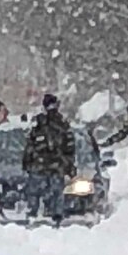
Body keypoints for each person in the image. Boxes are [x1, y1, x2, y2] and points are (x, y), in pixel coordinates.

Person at [22, 93, 77, 224]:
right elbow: (70, 148)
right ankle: (51, 215)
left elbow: (30, 146)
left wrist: (27, 163)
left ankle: (37, 214)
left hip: (44, 166)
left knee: (38, 192)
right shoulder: (58, 124)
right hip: (51, 167)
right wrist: (69, 165)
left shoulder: (45, 124)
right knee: (53, 192)